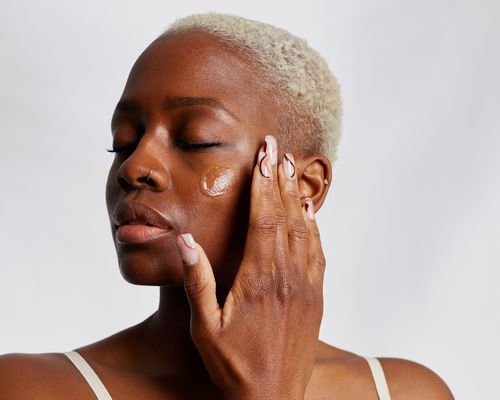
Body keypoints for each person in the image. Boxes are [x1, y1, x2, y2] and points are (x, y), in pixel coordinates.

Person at [0, 13, 454, 399]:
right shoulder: (30, 388)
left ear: (305, 186)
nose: (135, 166)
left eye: (196, 139)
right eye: (123, 141)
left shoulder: (403, 391)